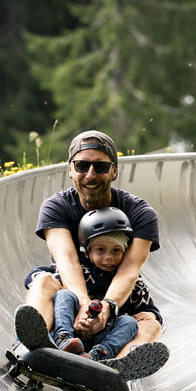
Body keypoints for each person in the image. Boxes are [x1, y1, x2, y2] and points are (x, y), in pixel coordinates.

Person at [19, 129, 164, 359]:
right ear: (70, 169)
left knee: (151, 322)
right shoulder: (56, 206)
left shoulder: (140, 213)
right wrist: (84, 303)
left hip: (117, 305)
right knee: (43, 281)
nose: (90, 175)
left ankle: (114, 366)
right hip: (69, 298)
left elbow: (130, 269)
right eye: (82, 166)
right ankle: (35, 346)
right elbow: (66, 260)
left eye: (101, 167)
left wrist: (107, 307)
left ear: (114, 171)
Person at [52, 207, 160, 361]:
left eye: (116, 250)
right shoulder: (81, 273)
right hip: (73, 329)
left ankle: (99, 355)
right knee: (64, 294)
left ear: (124, 253)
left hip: (103, 337)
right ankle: (63, 338)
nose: (108, 257)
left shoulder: (134, 285)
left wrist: (152, 314)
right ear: (87, 252)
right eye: (101, 250)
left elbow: (150, 310)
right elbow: (37, 278)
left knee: (129, 322)